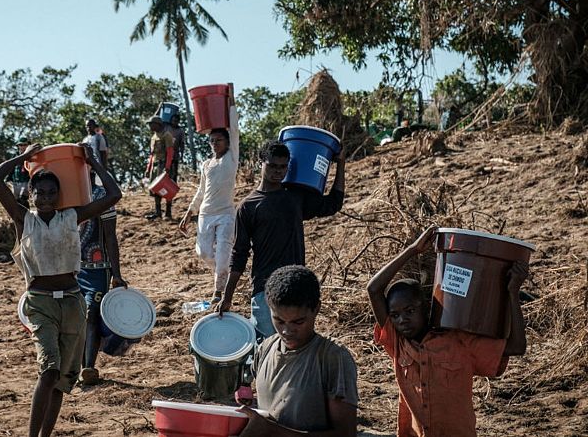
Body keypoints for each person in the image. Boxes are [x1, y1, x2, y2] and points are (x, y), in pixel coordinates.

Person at [0, 143, 121, 437]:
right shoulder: (24, 219)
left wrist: (93, 162)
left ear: (59, 196)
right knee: (48, 370)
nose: (46, 198)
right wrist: (25, 159)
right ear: (31, 195)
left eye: (51, 193)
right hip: (41, 303)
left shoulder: (72, 216)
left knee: (63, 380)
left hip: (73, 304)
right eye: (40, 193)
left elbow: (114, 195)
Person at [367, 226, 528, 437]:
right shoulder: (398, 345)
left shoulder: (458, 341)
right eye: (395, 315)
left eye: (410, 311)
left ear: (426, 307)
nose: (402, 320)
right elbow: (373, 289)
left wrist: (513, 293)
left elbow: (517, 347)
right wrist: (413, 249)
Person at [216, 140, 345, 339]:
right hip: (265, 289)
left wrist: (341, 164)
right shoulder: (248, 206)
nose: (278, 171)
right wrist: (227, 296)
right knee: (267, 348)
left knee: (295, 348)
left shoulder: (295, 197)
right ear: (261, 163)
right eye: (273, 166)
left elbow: (333, 204)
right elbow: (239, 253)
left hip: (296, 286)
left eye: (283, 166)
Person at [235, 265, 358, 437]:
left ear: (316, 309)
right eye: (279, 320)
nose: (287, 331)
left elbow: (345, 434)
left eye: (298, 322)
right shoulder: (265, 349)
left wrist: (271, 431)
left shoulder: (332, 358)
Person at [179, 89, 239, 303]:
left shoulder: (231, 158)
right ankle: (223, 271)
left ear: (226, 142)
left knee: (223, 254)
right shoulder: (206, 164)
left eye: (219, 140)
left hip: (226, 214)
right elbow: (201, 191)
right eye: (212, 140)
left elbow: (234, 129)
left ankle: (219, 290)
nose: (215, 143)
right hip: (206, 213)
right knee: (203, 253)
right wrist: (189, 213)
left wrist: (231, 100)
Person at [77, 171, 127, 386]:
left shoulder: (101, 196)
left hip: (98, 268)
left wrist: (116, 274)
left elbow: (110, 237)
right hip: (72, 268)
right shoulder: (65, 196)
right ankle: (79, 366)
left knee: (91, 313)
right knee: (75, 316)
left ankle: (88, 366)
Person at [143, 115, 175, 220]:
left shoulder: (166, 135)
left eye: (151, 124)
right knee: (155, 189)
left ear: (157, 125)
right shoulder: (153, 137)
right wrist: (148, 169)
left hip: (164, 164)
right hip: (155, 165)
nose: (150, 126)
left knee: (166, 188)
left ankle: (168, 213)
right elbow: (152, 155)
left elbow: (170, 152)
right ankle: (158, 213)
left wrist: (167, 167)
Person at [6, 137, 32, 209]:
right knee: (16, 201)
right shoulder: (15, 156)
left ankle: (27, 215)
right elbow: (11, 168)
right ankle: (19, 217)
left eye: (24, 145)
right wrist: (8, 178)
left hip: (26, 181)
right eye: (21, 145)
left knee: (23, 198)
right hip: (16, 182)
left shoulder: (31, 156)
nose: (22, 147)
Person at [165, 113, 185, 182]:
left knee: (174, 172)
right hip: (165, 154)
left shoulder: (180, 131)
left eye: (176, 121)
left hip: (175, 154)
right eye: (173, 121)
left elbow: (182, 143)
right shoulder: (167, 127)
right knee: (165, 171)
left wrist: (182, 155)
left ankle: (173, 186)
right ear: (170, 121)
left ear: (178, 122)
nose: (174, 122)